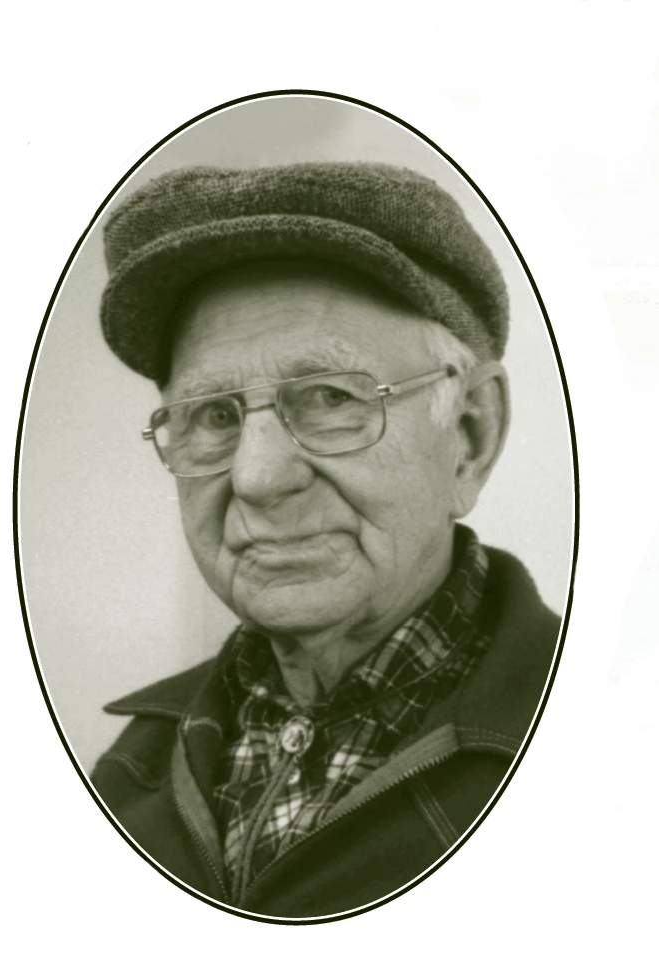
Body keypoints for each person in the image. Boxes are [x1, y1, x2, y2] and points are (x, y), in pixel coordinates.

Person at [91, 162, 561, 918]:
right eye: (213, 416)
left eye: (332, 399)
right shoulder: (125, 773)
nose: (257, 477)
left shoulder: (614, 751)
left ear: (469, 436)